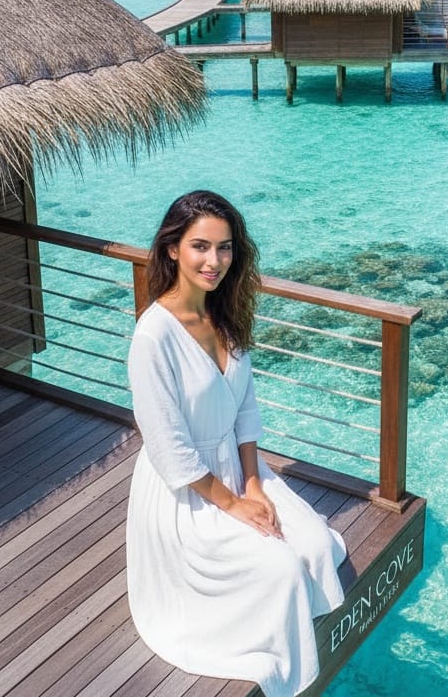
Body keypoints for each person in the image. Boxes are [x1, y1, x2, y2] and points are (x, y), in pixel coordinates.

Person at [126, 190, 346, 697]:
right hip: (188, 494)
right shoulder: (153, 337)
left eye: (225, 248)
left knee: (314, 546)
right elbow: (168, 448)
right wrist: (234, 505)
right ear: (172, 249)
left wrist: (255, 484)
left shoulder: (223, 314)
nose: (215, 261)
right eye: (201, 246)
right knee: (282, 568)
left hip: (235, 470)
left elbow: (245, 408)